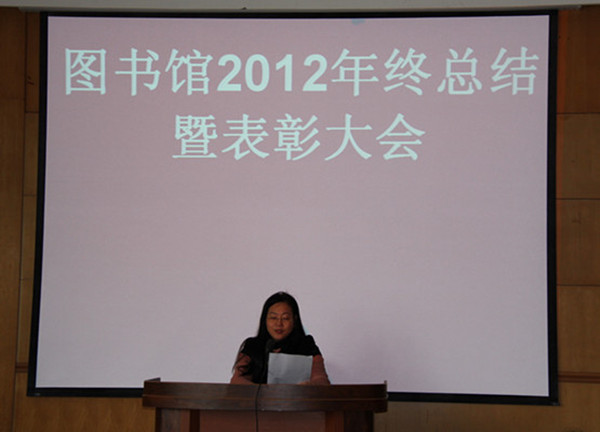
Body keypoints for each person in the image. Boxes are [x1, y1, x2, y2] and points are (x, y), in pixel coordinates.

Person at [230, 291, 330, 385]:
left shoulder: (307, 345)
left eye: (285, 318)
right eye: (273, 318)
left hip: (299, 397)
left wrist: (308, 387)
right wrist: (263, 391)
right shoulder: (252, 346)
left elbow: (320, 379)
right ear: (265, 319)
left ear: (294, 320)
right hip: (258, 398)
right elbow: (237, 380)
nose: (279, 323)